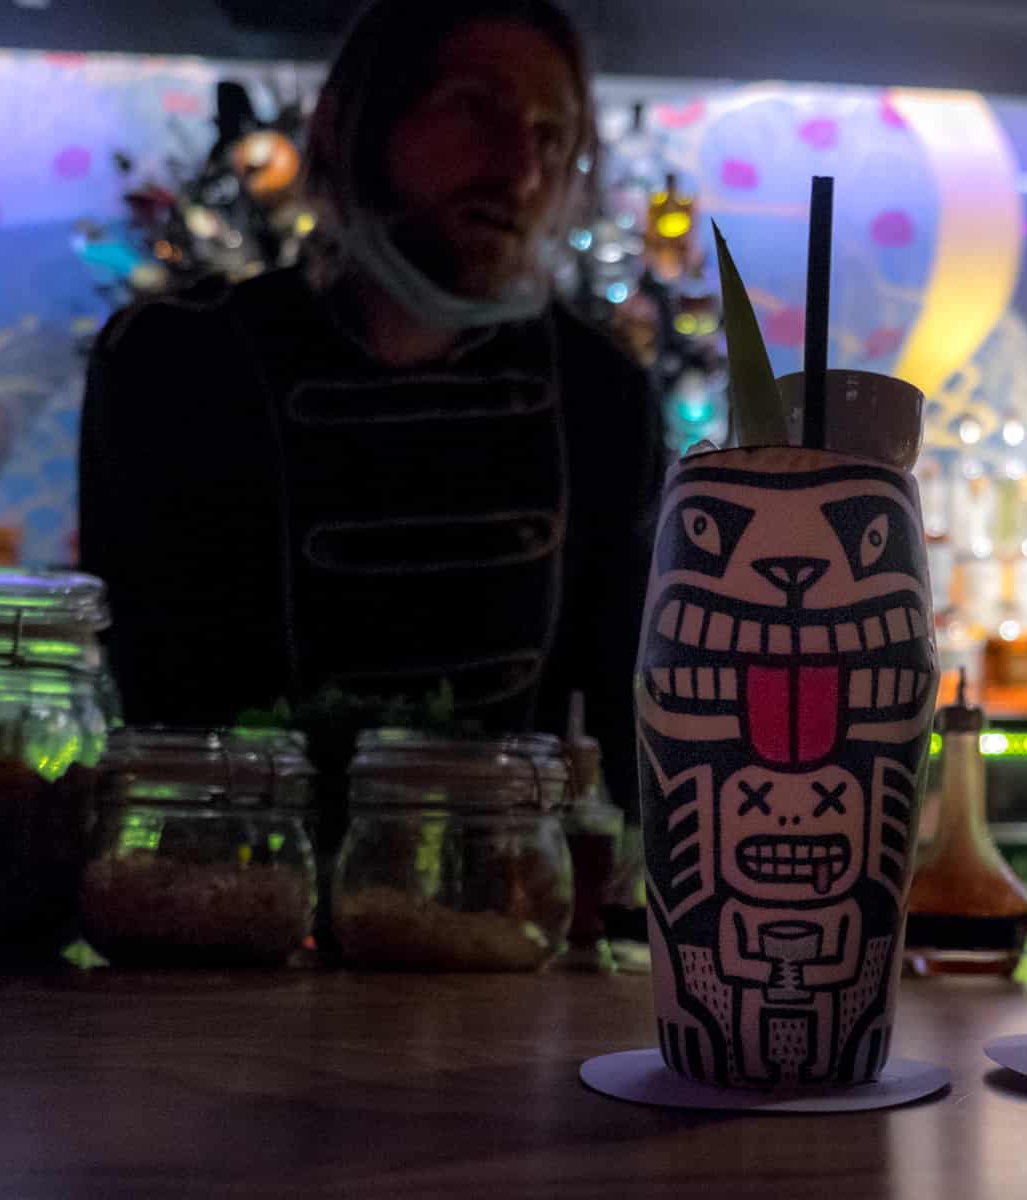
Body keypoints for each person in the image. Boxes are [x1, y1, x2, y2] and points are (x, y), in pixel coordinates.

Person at [79, 0, 660, 809]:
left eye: (550, 137)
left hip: (505, 913)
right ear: (360, 123)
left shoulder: (603, 397)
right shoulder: (182, 367)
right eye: (473, 107)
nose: (519, 171)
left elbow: (617, 738)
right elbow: (153, 705)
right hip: (234, 897)